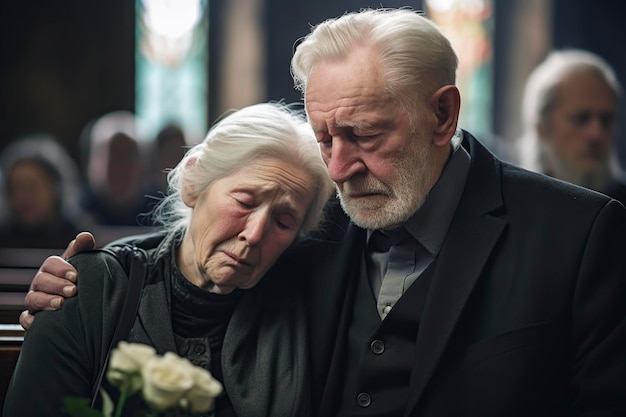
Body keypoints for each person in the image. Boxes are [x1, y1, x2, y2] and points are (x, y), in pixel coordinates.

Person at [20, 8, 626, 416]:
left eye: (364, 135)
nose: (338, 169)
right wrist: (88, 279)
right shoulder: (315, 216)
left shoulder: (580, 235)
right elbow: (198, 254)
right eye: (324, 138)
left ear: (443, 116)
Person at [4, 102, 335, 417]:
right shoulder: (92, 286)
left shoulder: (304, 307)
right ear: (193, 182)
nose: (255, 233)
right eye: (245, 202)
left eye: (283, 221)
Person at [517, 48, 626, 205]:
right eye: (581, 119)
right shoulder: (517, 207)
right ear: (542, 127)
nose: (596, 134)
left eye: (606, 120)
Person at [0, 134, 83, 249]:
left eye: (33, 187)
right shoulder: (4, 239)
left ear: (55, 188)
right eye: (16, 188)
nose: (23, 197)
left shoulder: (78, 239)